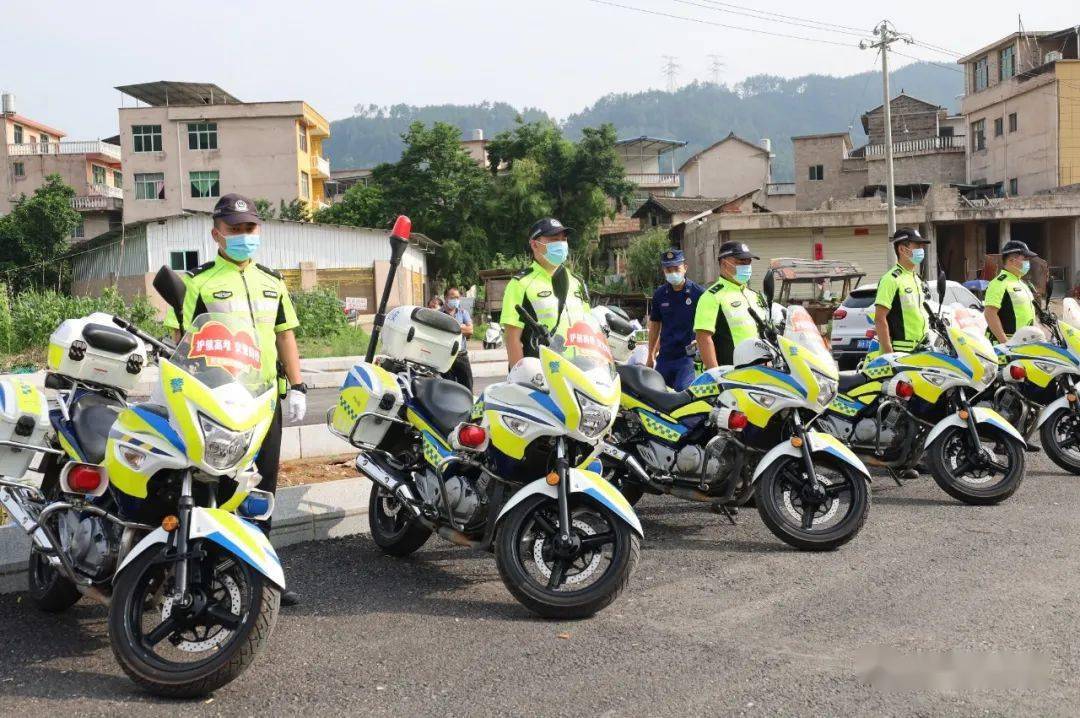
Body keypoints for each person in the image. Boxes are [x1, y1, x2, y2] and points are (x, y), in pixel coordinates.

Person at [163, 193, 304, 606]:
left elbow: (285, 336)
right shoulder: (199, 282)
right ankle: (209, 578)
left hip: (264, 402)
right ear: (217, 234)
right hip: (218, 402)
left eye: (250, 228)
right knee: (218, 487)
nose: (244, 236)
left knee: (263, 489)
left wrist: (297, 387)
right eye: (235, 229)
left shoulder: (273, 282)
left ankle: (262, 580)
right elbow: (180, 341)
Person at [500, 217, 590, 368]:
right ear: (535, 244)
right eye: (554, 239)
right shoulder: (520, 283)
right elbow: (512, 338)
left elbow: (588, 327)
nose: (561, 244)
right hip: (542, 372)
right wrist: (521, 376)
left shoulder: (577, 282)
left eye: (564, 240)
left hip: (579, 372)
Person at [693, 241, 767, 370]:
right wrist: (715, 374)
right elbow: (703, 338)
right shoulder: (711, 296)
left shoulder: (753, 295)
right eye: (740, 261)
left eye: (748, 262)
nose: (746, 266)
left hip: (760, 370)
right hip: (731, 373)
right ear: (724, 263)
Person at [647, 248, 705, 390]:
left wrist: (700, 342)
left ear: (685, 268)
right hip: (665, 356)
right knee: (655, 393)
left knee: (682, 391)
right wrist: (650, 355)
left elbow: (708, 325)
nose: (672, 273)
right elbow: (655, 326)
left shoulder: (699, 294)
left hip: (688, 357)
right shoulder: (660, 294)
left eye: (676, 268)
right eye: (668, 270)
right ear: (664, 271)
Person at [874, 228, 931, 355]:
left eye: (921, 246)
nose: (921, 250)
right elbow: (879, 318)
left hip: (922, 349)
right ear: (902, 249)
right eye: (917, 246)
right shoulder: (891, 279)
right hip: (902, 352)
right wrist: (890, 354)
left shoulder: (916, 278)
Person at [985, 240, 1039, 344]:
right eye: (1025, 259)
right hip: (1006, 346)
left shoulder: (1022, 283)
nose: (1027, 263)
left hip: (1023, 342)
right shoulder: (999, 283)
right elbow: (990, 314)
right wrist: (1005, 343)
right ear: (1011, 260)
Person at [441, 286, 474, 391]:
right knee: (448, 388)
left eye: (457, 297)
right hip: (445, 356)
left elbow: (470, 331)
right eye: (452, 297)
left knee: (467, 387)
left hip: (461, 356)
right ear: (446, 298)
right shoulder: (439, 314)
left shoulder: (463, 313)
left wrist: (451, 328)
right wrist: (461, 327)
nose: (455, 300)